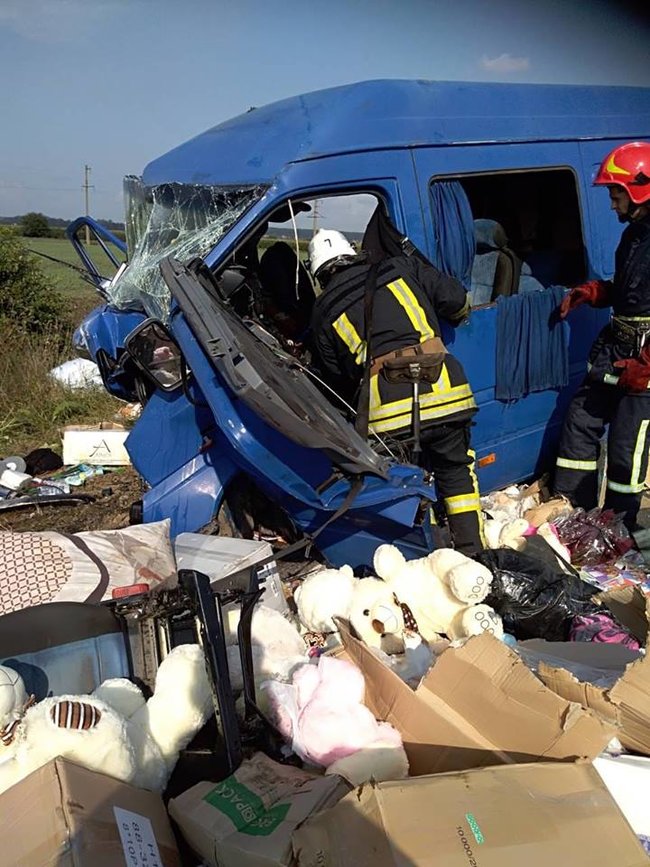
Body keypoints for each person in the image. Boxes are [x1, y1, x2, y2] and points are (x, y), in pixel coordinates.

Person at [308, 228, 484, 556]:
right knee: (456, 473)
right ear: (354, 251)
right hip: (444, 392)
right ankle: (474, 555)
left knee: (410, 486)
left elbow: (337, 380)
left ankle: (430, 558)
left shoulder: (323, 311)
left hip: (389, 415)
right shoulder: (400, 267)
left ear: (318, 274)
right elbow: (457, 302)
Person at [555, 141, 650, 529]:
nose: (613, 205)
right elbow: (633, 291)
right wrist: (596, 292)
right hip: (618, 347)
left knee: (628, 447)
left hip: (645, 360)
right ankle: (573, 508)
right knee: (581, 416)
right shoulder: (634, 236)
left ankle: (619, 526)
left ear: (639, 190)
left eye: (616, 195)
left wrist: (646, 367)